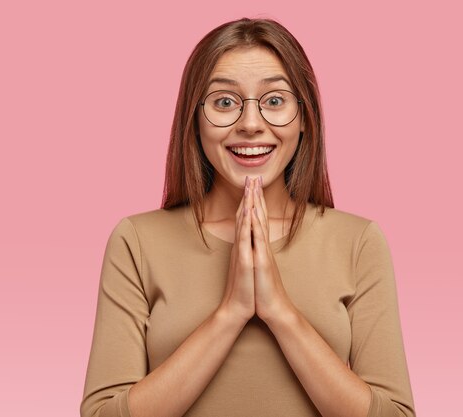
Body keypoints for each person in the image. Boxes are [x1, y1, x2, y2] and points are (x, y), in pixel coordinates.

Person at [80, 17, 416, 417]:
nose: (251, 124)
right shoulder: (137, 240)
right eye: (224, 102)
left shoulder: (358, 242)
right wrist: (231, 312)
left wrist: (279, 311)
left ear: (305, 117)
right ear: (195, 118)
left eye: (275, 101)